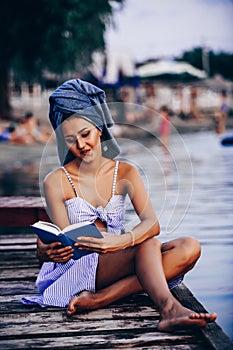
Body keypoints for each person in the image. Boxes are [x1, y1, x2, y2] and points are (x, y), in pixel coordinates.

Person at [22, 79, 217, 332]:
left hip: (119, 256)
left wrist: (120, 242)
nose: (81, 145)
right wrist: (45, 249)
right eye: (71, 139)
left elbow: (152, 224)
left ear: (99, 128)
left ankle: (101, 299)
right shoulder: (56, 181)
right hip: (81, 267)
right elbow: (63, 240)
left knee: (189, 247)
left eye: (86, 134)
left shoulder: (126, 172)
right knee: (147, 245)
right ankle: (169, 308)